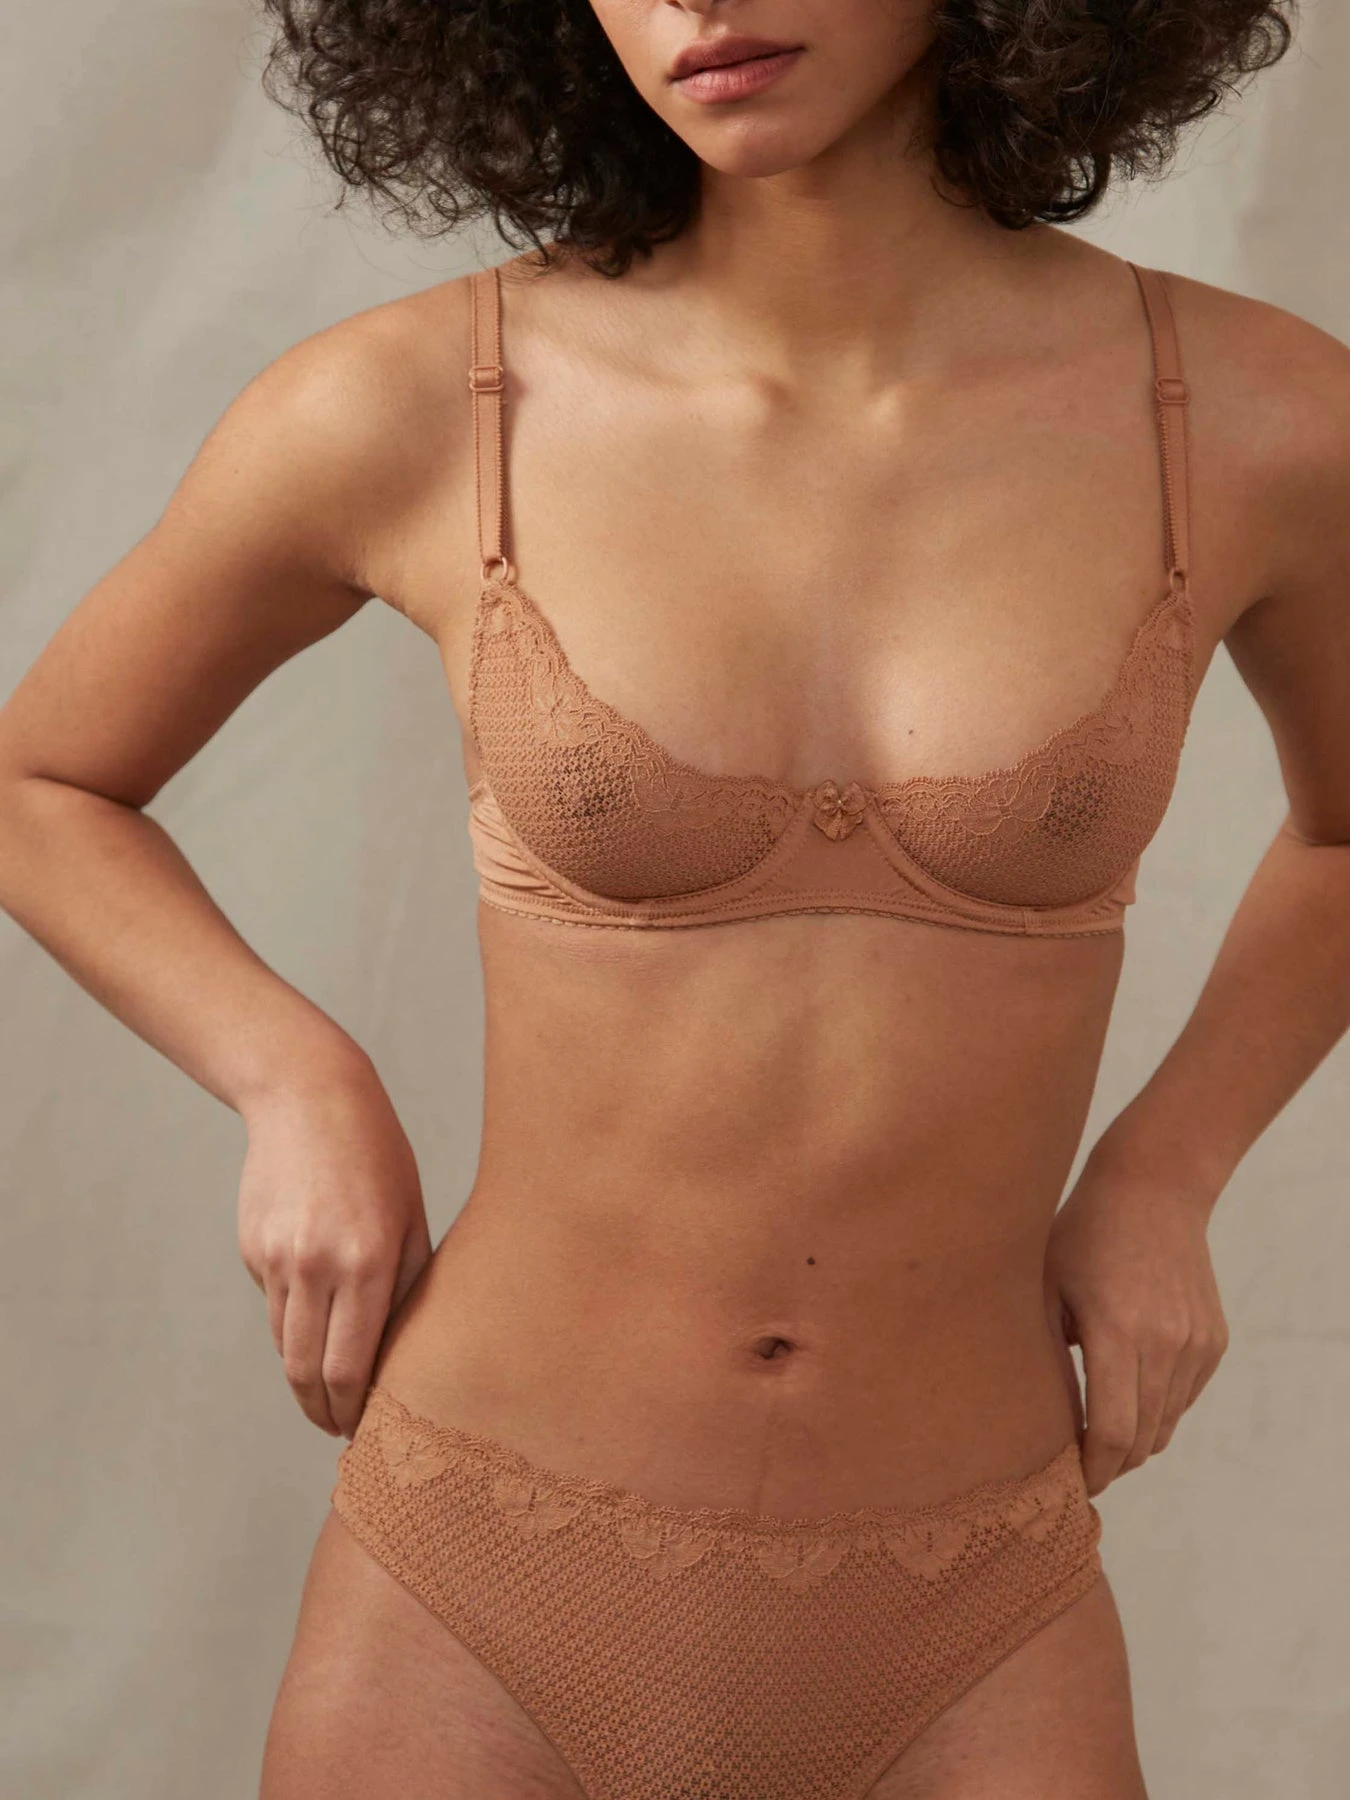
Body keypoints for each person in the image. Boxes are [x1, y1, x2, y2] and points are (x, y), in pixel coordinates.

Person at [1, 2, 1346, 1795]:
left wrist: (1168, 1171)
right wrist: (293, 1080)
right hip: (474, 1570)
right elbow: (43, 782)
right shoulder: (416, 402)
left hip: (971, 1593)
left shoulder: (1252, 415)